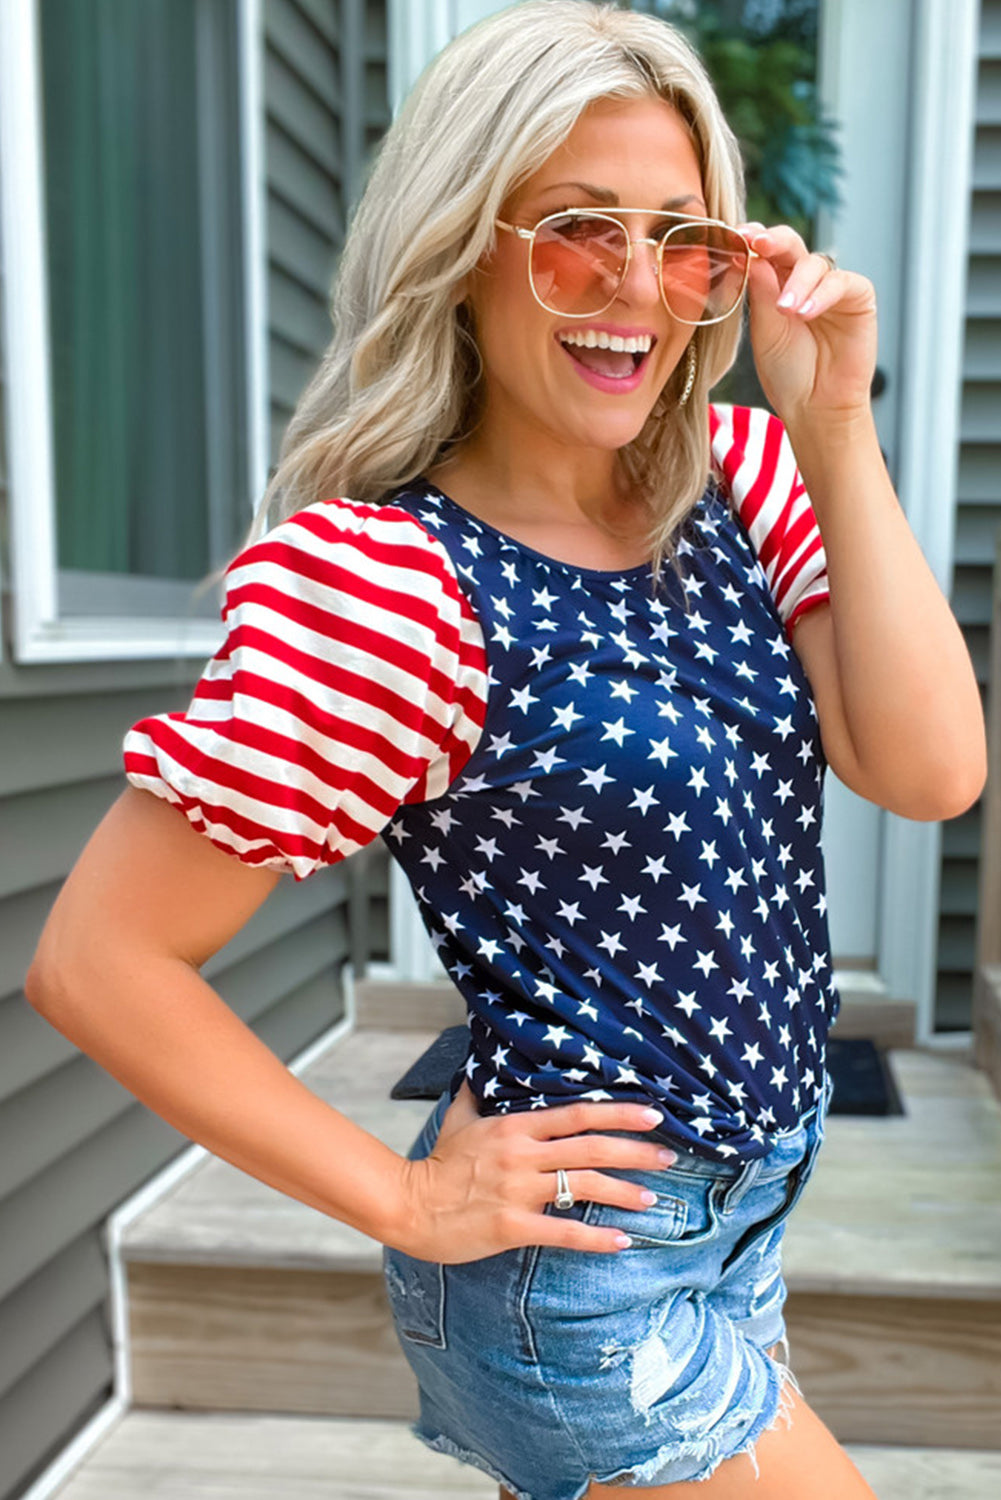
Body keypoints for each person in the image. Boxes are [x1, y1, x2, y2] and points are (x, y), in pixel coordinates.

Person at [26, 3, 986, 1498]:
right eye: (574, 231)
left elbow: (926, 773)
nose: (633, 290)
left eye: (681, 239)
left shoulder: (734, 480)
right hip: (589, 1285)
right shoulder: (390, 589)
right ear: (462, 246)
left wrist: (835, 425)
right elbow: (100, 961)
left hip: (741, 1230)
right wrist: (404, 1198)